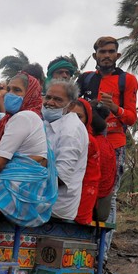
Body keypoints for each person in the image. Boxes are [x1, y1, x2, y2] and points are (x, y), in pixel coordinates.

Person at [0, 74, 56, 227]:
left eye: (17, 90)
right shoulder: (17, 118)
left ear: (30, 95)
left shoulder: (24, 117)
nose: (10, 94)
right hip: (26, 193)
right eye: (9, 89)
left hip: (15, 193)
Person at [77, 37, 138, 245]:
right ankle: (81, 244)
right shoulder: (85, 79)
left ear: (117, 55)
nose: (106, 56)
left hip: (114, 144)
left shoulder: (127, 80)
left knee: (108, 196)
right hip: (86, 142)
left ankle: (102, 252)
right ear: (95, 56)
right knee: (82, 189)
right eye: (102, 52)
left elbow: (131, 117)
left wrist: (114, 108)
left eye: (111, 52)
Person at [42, 78, 88, 221]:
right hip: (44, 199)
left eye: (57, 100)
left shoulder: (71, 131)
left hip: (55, 206)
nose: (50, 102)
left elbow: (60, 178)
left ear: (71, 105)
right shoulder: (49, 122)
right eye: (48, 97)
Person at [71, 98, 101, 226]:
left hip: (83, 194)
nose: (74, 121)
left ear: (87, 119)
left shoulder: (89, 141)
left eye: (79, 117)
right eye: (69, 116)